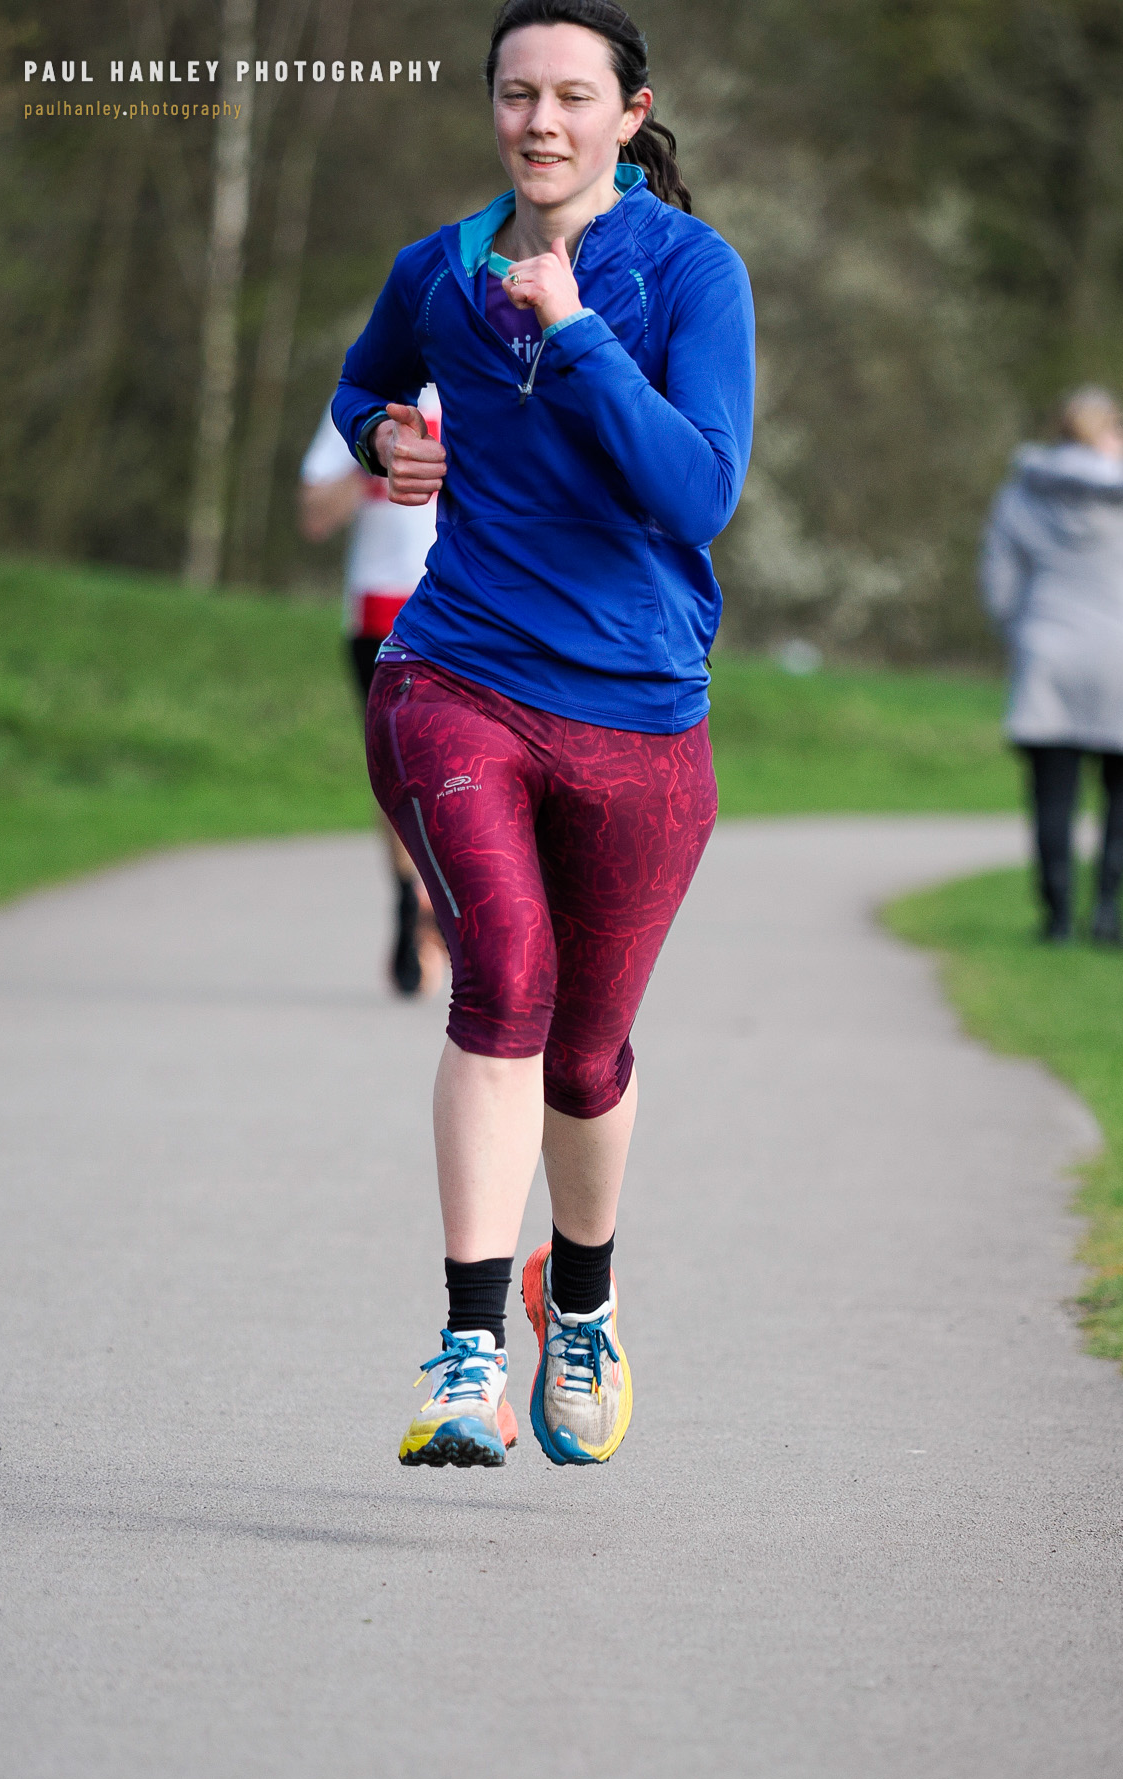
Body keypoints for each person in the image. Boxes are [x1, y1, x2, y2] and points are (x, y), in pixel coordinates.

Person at [331, 0, 753, 1467]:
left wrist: (572, 335)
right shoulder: (437, 270)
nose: (542, 122)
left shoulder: (692, 274)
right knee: (500, 975)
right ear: (494, 108)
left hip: (640, 713)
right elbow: (363, 381)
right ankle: (463, 1348)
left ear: (631, 116)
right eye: (519, 95)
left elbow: (695, 494)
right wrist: (384, 439)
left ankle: (580, 1300)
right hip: (457, 675)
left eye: (575, 96)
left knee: (588, 1055)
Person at [980, 385, 1123, 946]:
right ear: (1103, 433)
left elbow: (999, 582)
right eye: (1121, 427)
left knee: (1053, 793)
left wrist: (1022, 631)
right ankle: (1106, 914)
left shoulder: (1022, 494)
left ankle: (1055, 920)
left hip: (1049, 649)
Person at [298, 388, 449, 996]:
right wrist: (379, 459)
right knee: (403, 771)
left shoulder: (513, 374)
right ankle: (409, 901)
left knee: (466, 766)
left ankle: (450, 902)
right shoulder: (369, 395)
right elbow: (314, 513)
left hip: (479, 611)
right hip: (384, 611)